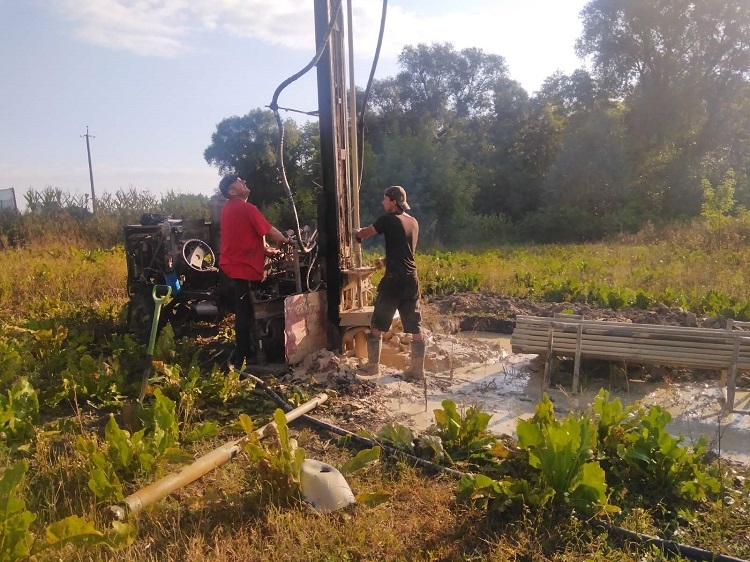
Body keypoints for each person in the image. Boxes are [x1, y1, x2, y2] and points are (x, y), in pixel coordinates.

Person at [218, 173, 290, 372]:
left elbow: (241, 237)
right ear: (232, 191)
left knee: (245, 313)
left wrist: (266, 251)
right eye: (239, 182)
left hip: (233, 268)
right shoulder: (246, 208)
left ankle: (247, 353)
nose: (244, 181)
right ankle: (242, 359)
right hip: (243, 269)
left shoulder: (228, 210)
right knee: (245, 315)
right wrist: (287, 240)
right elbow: (270, 231)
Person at [355, 185, 425, 381]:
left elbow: (363, 234)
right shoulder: (413, 222)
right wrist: (386, 260)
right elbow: (407, 250)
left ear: (393, 202)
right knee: (415, 325)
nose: (382, 202)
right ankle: (417, 370)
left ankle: (372, 366)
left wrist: (356, 233)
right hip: (411, 278)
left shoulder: (387, 219)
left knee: (377, 323)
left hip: (394, 280)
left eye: (385, 199)